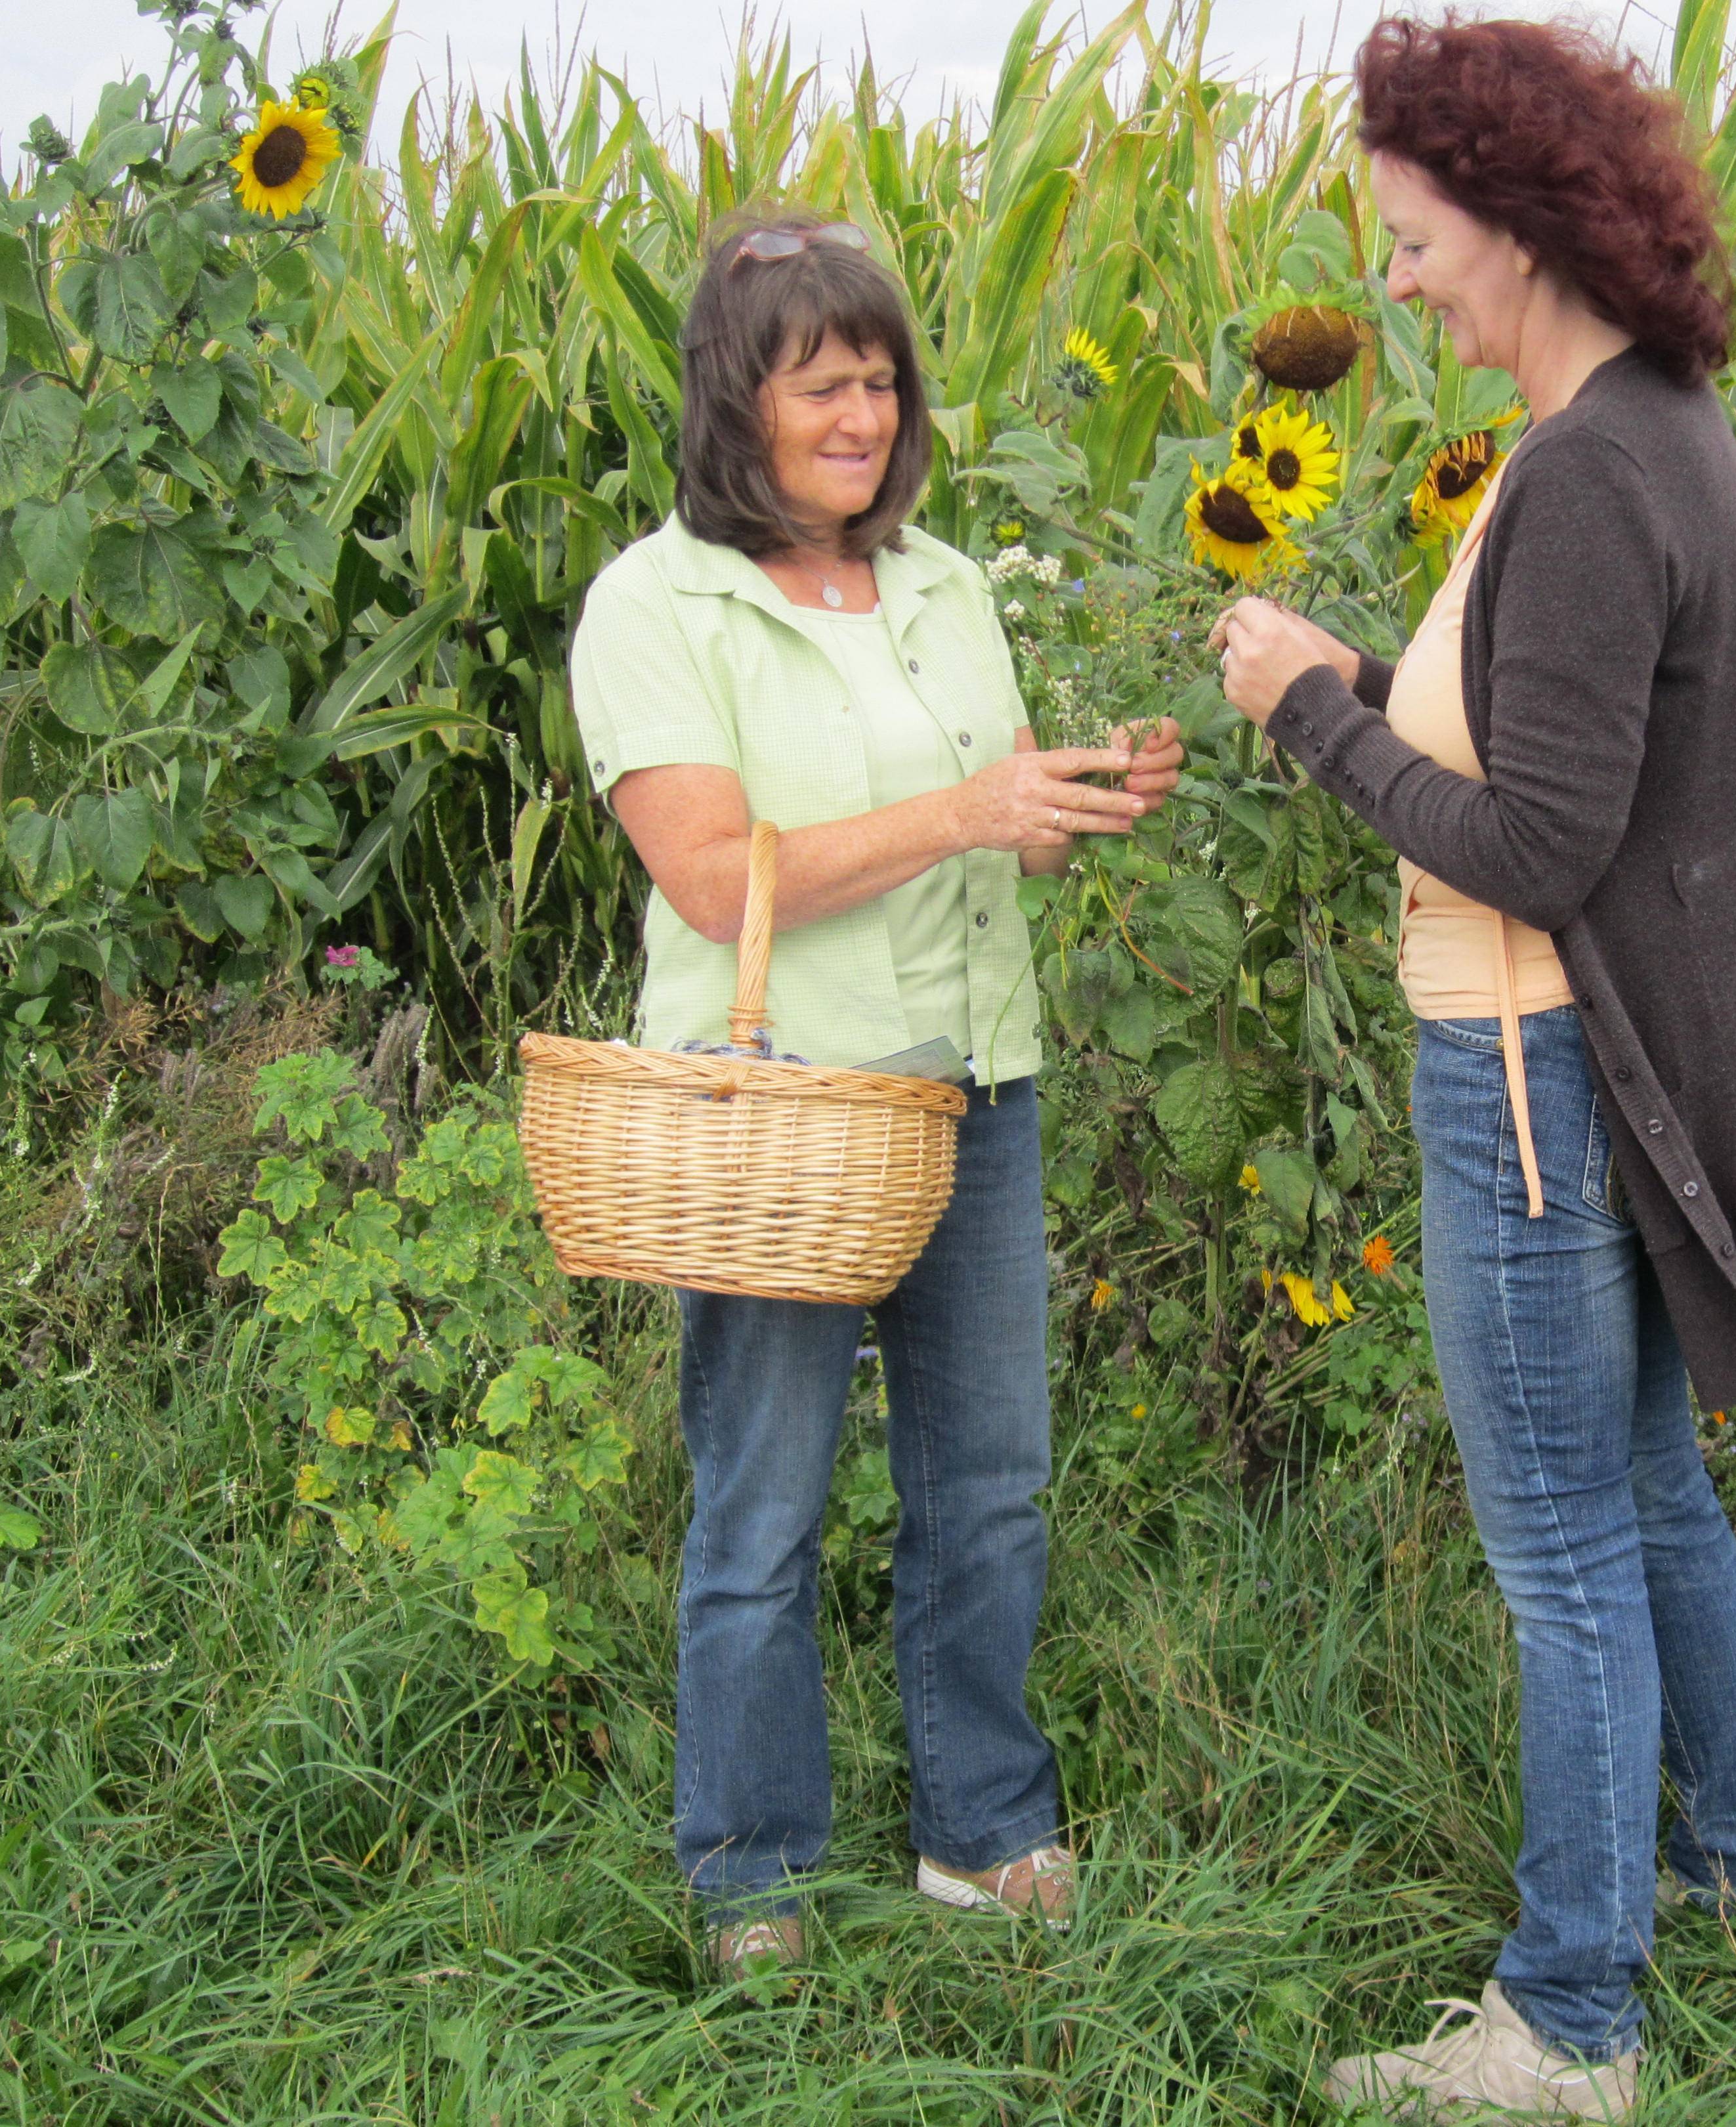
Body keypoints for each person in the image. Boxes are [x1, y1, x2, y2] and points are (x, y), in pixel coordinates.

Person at [1211, 19, 1736, 2117]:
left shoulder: (1593, 470)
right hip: (1609, 1071)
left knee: (1564, 1543)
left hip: (1527, 1076)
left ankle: (1571, 2022)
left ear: (1509, 223)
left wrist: (1312, 699)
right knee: (1650, 1494)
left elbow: (1537, 847)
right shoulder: (1666, 426)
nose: (1393, 281)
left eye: (1410, 240)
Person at [569, 209, 1183, 1972]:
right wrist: (972, 814)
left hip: (973, 1091)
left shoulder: (943, 585)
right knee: (762, 1504)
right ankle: (750, 1874)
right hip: (781, 1121)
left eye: (882, 379)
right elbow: (709, 873)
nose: (862, 411)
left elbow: (984, 829)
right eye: (818, 382)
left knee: (988, 1484)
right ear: (732, 399)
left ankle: (981, 1834)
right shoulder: (656, 604)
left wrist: (1067, 798)